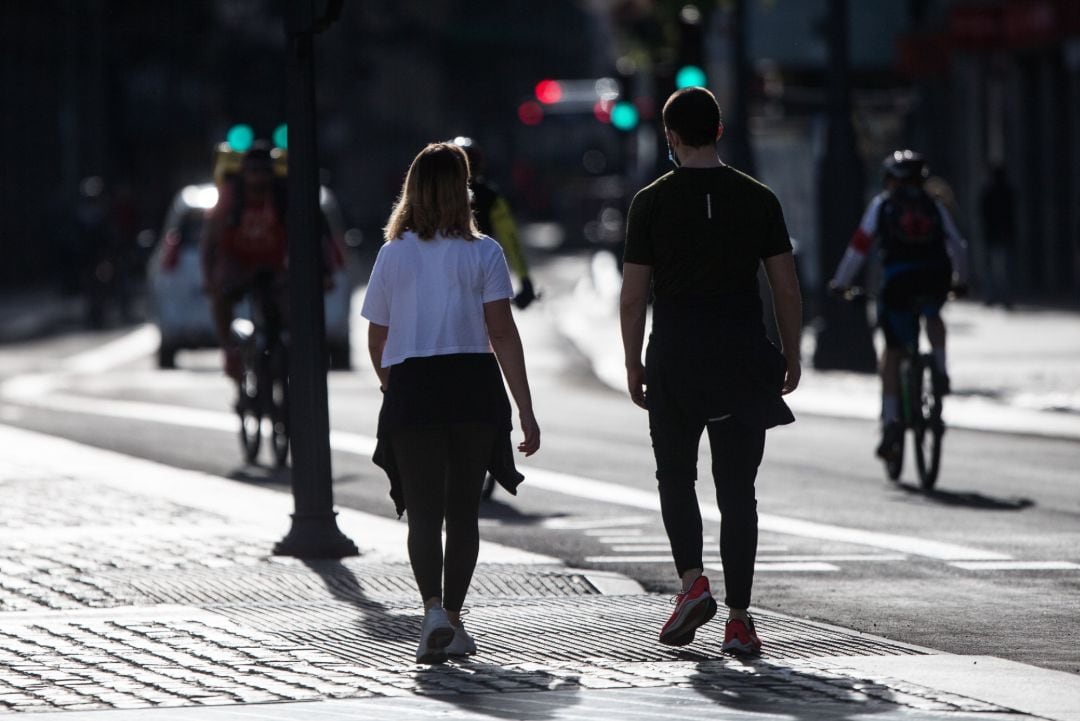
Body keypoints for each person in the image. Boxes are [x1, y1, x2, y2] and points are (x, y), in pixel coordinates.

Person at [619, 87, 802, 655]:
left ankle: (692, 583)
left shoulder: (649, 203)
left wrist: (633, 361)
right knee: (737, 491)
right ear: (720, 131)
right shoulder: (758, 198)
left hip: (675, 355)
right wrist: (790, 353)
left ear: (670, 135)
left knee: (676, 477)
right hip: (742, 356)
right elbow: (785, 286)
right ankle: (741, 618)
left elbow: (633, 296)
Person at [363, 142, 540, 664]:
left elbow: (377, 336)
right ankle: (456, 618)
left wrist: (389, 383)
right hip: (472, 386)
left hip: (414, 386)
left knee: (423, 513)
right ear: (463, 191)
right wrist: (525, 410)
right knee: (463, 514)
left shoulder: (392, 255)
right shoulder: (484, 252)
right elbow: (503, 334)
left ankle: (433, 611)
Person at [830, 149, 969, 460]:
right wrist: (961, 281)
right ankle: (941, 369)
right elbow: (957, 245)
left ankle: (892, 420)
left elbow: (859, 248)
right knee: (934, 315)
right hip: (935, 277)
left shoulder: (883, 205)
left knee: (892, 352)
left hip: (898, 283)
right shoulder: (934, 204)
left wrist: (840, 283)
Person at [201, 141, 289, 380]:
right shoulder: (231, 195)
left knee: (288, 306)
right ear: (243, 173)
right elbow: (210, 240)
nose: (259, 178)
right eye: (253, 171)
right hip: (237, 265)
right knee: (221, 296)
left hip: (273, 265)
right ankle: (229, 351)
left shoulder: (282, 197)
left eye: (264, 171)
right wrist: (210, 278)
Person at [451, 137, 536, 309]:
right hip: (481, 276)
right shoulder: (491, 196)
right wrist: (525, 280)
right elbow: (511, 240)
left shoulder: (431, 196)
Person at [978, 164, 1016, 309]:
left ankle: (995, 297)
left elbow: (983, 214)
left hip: (994, 234)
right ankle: (1002, 297)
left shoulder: (990, 192)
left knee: (994, 268)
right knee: (1002, 268)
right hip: (1000, 234)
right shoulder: (1005, 192)